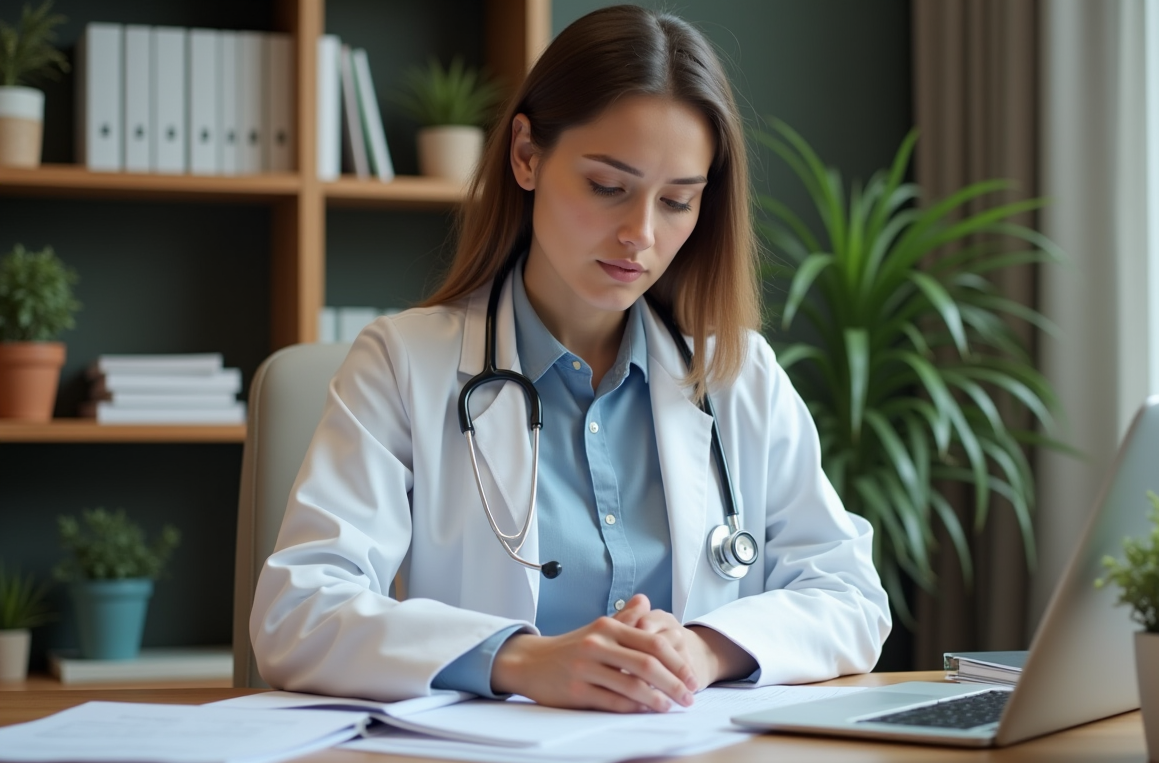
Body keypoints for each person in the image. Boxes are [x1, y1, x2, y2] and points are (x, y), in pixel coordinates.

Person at [250, 4, 891, 713]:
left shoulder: (739, 376)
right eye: (608, 187)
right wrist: (523, 661)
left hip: (692, 759)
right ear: (527, 155)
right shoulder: (402, 364)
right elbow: (298, 611)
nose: (640, 234)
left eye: (677, 202)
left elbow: (851, 598)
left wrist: (704, 650)